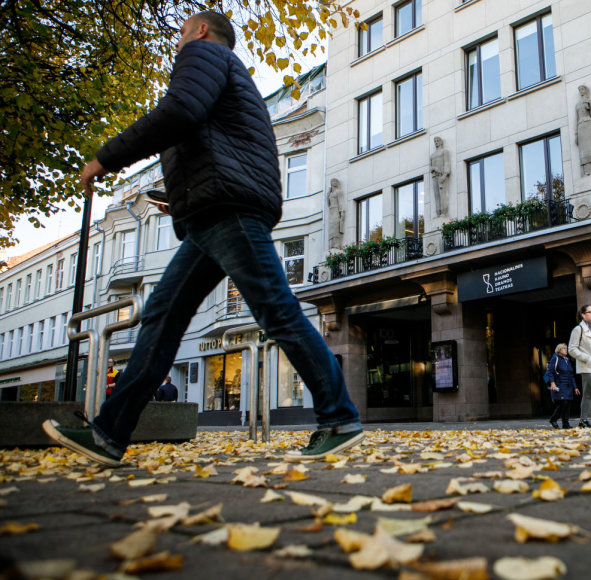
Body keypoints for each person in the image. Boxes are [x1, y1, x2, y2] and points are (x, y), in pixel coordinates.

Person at [42, 11, 363, 467]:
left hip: (228, 209)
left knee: (275, 310)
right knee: (161, 320)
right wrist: (183, 199)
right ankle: (109, 434)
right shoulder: (226, 76)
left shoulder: (204, 54)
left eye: (180, 34)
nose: (177, 44)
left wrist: (105, 158)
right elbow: (211, 139)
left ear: (200, 31)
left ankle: (339, 418)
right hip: (210, 212)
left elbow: (179, 113)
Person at [543, 343, 580, 429]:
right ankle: (553, 419)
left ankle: (565, 423)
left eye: (566, 348)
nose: (565, 350)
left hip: (568, 385)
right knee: (563, 402)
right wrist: (552, 382)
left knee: (568, 404)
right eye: (563, 348)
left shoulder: (567, 360)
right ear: (559, 350)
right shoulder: (555, 358)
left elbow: (571, 375)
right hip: (560, 384)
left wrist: (575, 387)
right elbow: (550, 372)